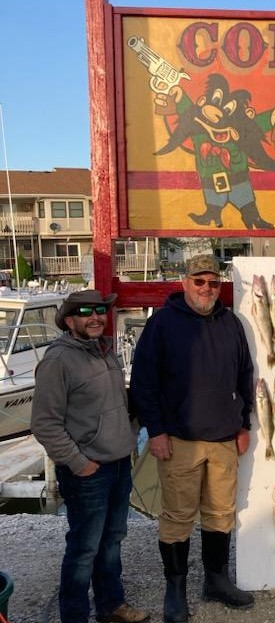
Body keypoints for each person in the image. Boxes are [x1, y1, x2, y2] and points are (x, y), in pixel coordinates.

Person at [130, 254, 255, 623]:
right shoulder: (163, 324)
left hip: (223, 438)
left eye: (213, 283)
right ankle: (176, 589)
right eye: (199, 281)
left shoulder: (230, 322)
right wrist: (155, 430)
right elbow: (144, 381)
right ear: (185, 282)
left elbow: (244, 374)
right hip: (179, 439)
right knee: (177, 517)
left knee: (220, 513)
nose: (206, 288)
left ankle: (216, 579)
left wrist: (243, 423)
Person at [31, 290, 148, 623]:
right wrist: (79, 462)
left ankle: (111, 606)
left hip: (117, 465)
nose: (96, 317)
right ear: (70, 320)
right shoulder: (58, 360)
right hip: (88, 472)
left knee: (112, 541)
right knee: (84, 549)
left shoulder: (105, 351)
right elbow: (44, 424)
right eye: (86, 312)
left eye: (100, 310)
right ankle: (75, 615)